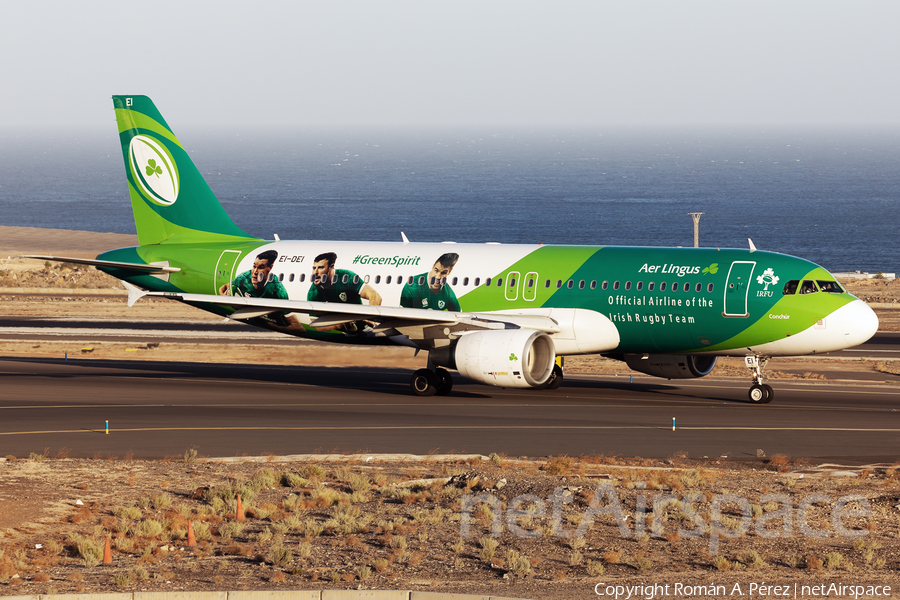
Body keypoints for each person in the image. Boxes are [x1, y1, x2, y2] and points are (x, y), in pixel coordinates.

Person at [219, 249, 303, 333]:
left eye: (260, 267)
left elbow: (298, 327)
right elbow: (224, 287)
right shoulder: (244, 278)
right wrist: (224, 298)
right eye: (254, 266)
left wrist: (275, 327)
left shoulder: (277, 289)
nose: (255, 272)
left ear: (270, 268)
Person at [307, 252, 382, 305]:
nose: (315, 272)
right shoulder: (313, 292)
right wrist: (340, 325)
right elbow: (315, 323)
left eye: (320, 268)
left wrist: (371, 320)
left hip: (361, 324)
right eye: (314, 268)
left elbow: (375, 296)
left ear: (331, 267)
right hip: (338, 325)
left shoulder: (346, 277)